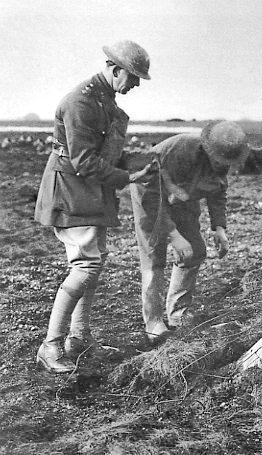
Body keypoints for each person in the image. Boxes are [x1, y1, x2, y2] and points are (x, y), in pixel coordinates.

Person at [34, 40, 154, 373]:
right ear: (115, 70)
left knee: (93, 264)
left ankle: (79, 337)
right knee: (85, 266)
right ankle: (51, 346)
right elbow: (85, 161)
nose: (135, 85)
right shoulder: (80, 103)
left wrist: (138, 165)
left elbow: (104, 153)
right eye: (133, 78)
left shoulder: (105, 100)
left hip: (90, 191)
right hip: (72, 191)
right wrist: (127, 177)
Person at [130, 121, 248, 345]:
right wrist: (174, 235)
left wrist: (219, 227)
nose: (224, 166)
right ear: (207, 149)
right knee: (154, 257)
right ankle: (153, 321)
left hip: (183, 196)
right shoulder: (180, 152)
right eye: (219, 161)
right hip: (150, 193)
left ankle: (178, 314)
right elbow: (154, 199)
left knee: (193, 251)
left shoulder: (222, 159)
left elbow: (218, 191)